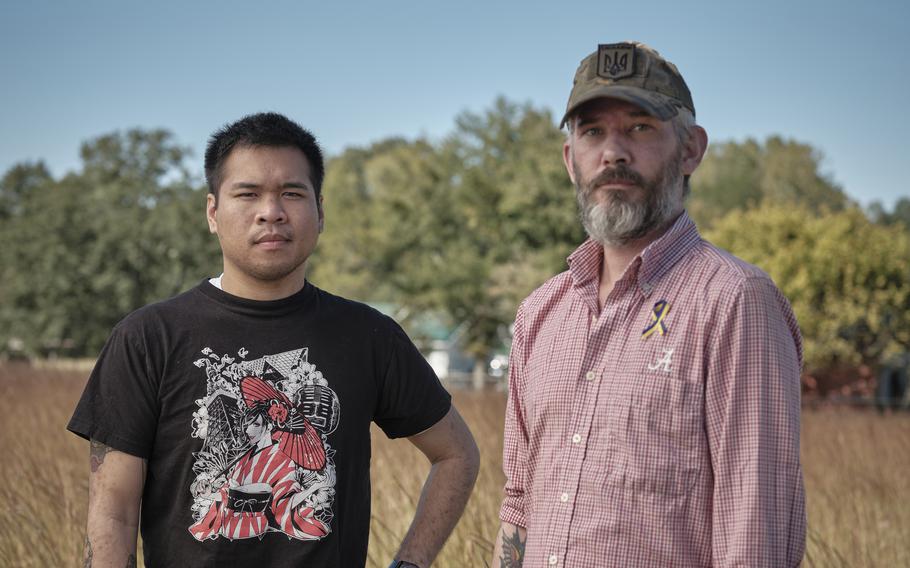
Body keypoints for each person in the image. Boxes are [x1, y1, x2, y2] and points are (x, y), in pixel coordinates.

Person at [69, 112, 480, 568]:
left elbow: (456, 455)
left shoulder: (369, 335)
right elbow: (113, 514)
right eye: (247, 193)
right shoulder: (147, 338)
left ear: (320, 212)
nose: (272, 211)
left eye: (292, 193)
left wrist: (410, 563)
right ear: (212, 212)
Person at [492, 42, 806, 567]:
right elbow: (519, 506)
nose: (613, 152)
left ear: (690, 150)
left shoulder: (735, 302)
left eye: (639, 127)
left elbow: (756, 534)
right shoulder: (540, 314)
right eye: (592, 132)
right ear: (571, 161)